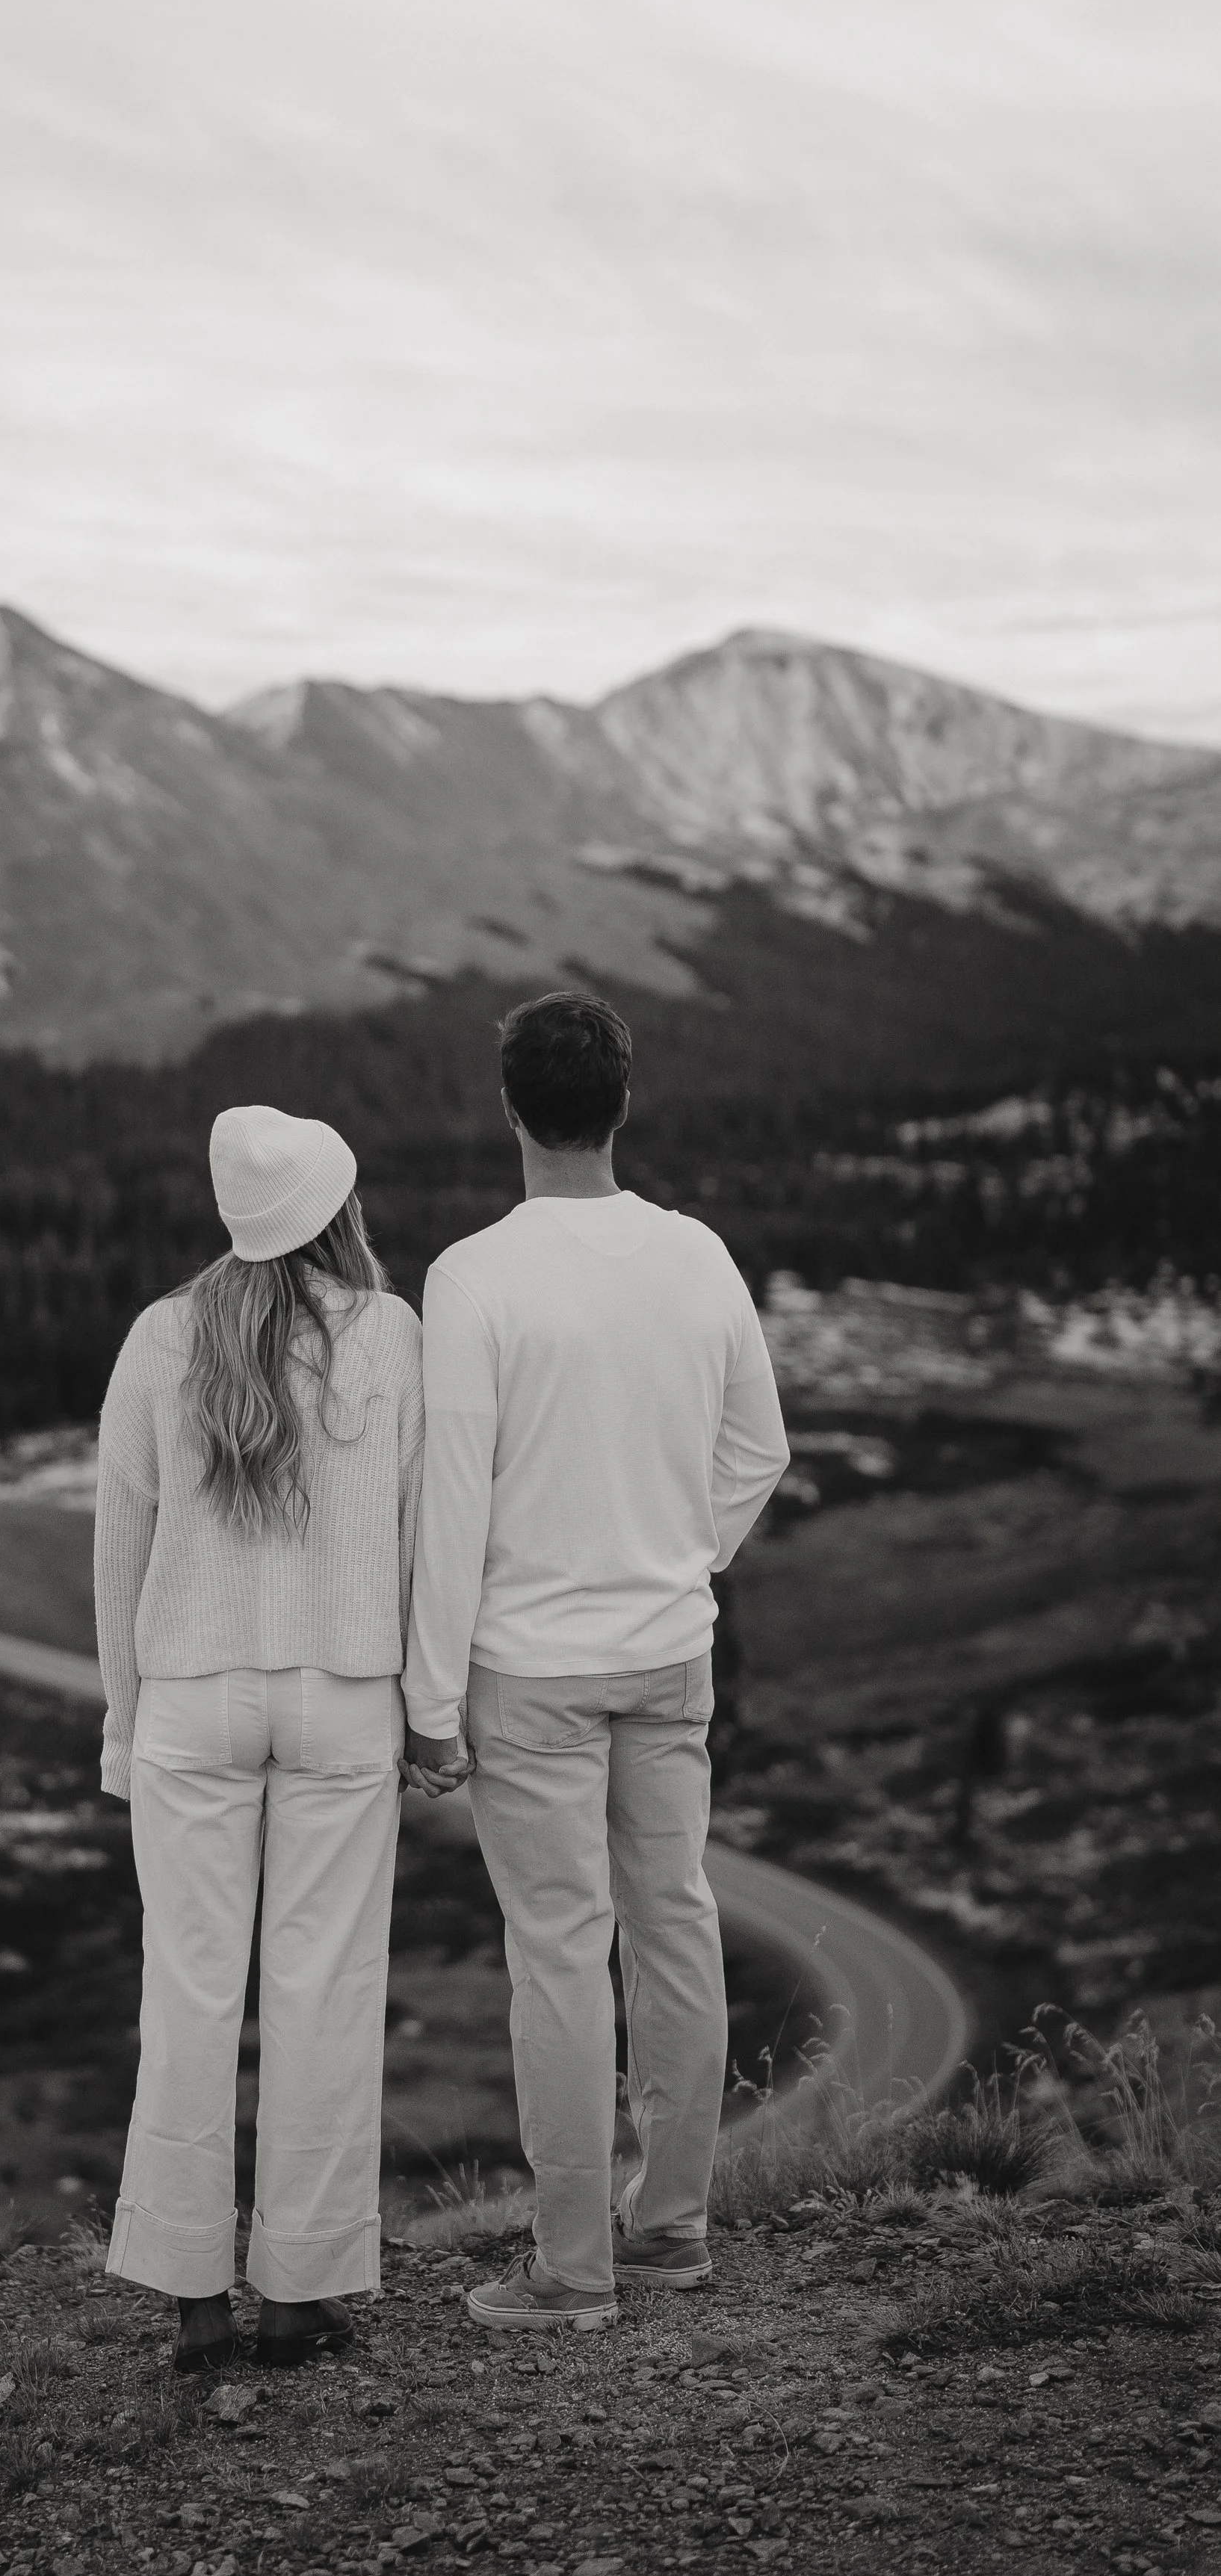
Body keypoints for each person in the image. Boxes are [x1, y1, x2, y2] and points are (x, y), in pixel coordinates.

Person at [402, 991, 789, 2330]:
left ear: (509, 1108)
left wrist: (429, 1701)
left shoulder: (474, 1276)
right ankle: (671, 2231)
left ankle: (569, 2269)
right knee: (676, 1926)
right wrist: (686, 1555)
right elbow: (761, 1450)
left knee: (559, 1953)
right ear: (622, 1106)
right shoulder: (698, 1255)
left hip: (529, 1668)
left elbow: (452, 1498)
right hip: (669, 1650)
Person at [93, 1103, 425, 2371]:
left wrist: (126, 1725)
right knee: (324, 1985)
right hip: (344, 1689)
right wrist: (428, 1705)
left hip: (189, 1693)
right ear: (337, 1210)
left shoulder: (157, 1338)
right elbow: (417, 1534)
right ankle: (298, 2290)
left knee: (185, 1990)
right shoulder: (389, 1336)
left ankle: (191, 2297)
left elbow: (119, 1547)